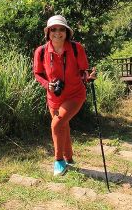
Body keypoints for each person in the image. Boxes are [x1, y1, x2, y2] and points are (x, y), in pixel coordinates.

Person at [33, 15, 96, 176]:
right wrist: (48, 85)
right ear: (48, 32)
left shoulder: (76, 48)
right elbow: (38, 73)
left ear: (67, 32)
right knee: (63, 126)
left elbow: (83, 71)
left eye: (61, 29)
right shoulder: (41, 51)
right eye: (53, 29)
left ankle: (58, 160)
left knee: (57, 124)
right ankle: (69, 158)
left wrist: (88, 77)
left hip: (75, 94)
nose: (57, 33)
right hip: (53, 97)